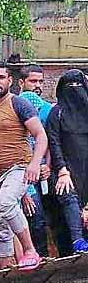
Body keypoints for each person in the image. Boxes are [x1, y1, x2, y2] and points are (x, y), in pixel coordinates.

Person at [0, 60, 48, 270]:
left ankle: (30, 250)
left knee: (7, 202)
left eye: (1, 77)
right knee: (0, 226)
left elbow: (41, 135)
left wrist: (35, 163)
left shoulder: (19, 104)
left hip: (19, 168)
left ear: (10, 80)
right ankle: (4, 272)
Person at [46, 69, 88, 253]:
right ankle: (77, 241)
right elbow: (54, 143)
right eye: (70, 86)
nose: (74, 90)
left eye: (78, 85)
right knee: (68, 195)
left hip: (86, 171)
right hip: (64, 171)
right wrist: (62, 170)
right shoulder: (57, 113)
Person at [19, 90, 53, 258]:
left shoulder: (44, 119)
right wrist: (24, 191)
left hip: (42, 173)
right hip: (23, 178)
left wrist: (47, 165)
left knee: (49, 214)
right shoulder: (16, 131)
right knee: (35, 215)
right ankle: (37, 254)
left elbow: (49, 140)